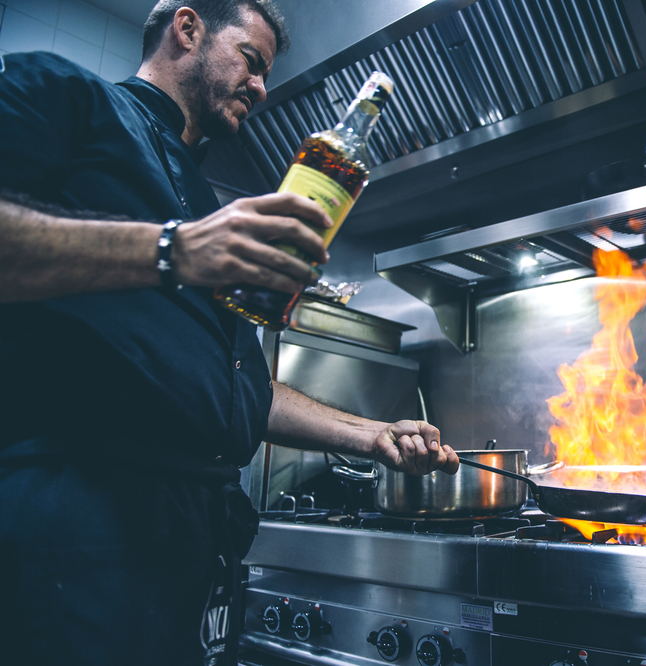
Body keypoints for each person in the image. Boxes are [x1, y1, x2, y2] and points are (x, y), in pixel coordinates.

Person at [0, 1, 459, 665]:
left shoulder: (205, 198)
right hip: (72, 517)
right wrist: (173, 252)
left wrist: (371, 435)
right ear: (187, 29)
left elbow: (243, 388)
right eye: (251, 59)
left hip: (186, 544)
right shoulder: (66, 97)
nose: (263, 87)